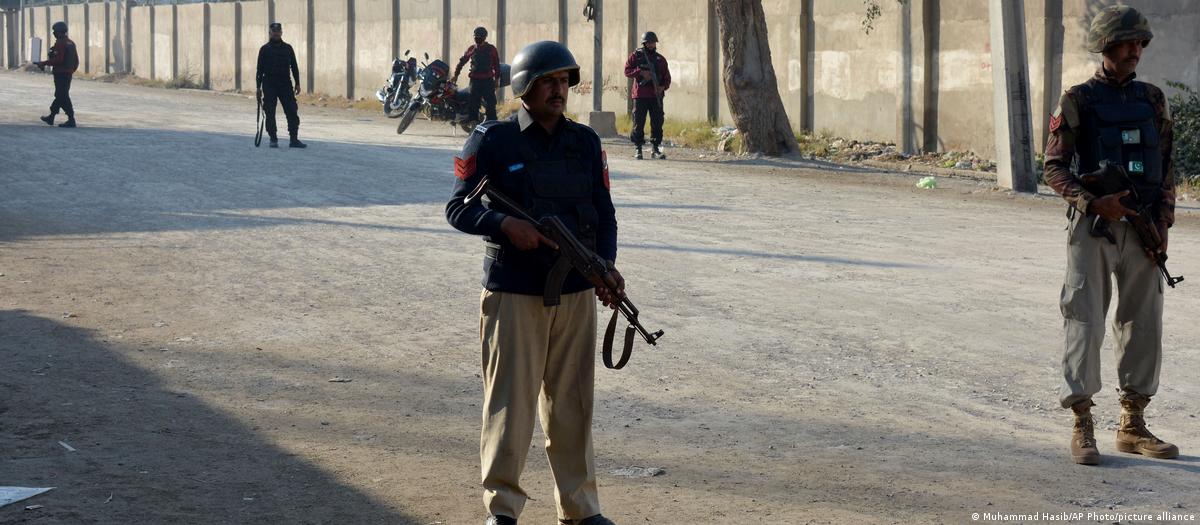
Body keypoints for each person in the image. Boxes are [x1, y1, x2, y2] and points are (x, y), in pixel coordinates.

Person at [445, 40, 620, 525]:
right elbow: (458, 208)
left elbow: (605, 214)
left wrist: (604, 265)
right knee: (510, 407)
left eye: (564, 81)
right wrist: (504, 226)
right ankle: (502, 510)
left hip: (575, 294)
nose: (558, 90)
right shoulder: (492, 139)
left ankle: (580, 509)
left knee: (573, 407)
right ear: (525, 87)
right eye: (548, 81)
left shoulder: (584, 142)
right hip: (515, 294)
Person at [1043, 4, 1178, 466]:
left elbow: (1167, 168)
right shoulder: (1077, 100)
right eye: (1127, 42)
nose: (1135, 50)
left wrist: (1162, 224)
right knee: (1084, 320)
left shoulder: (1153, 100)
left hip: (1142, 228)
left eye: (1140, 43)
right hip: (1094, 228)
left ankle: (1132, 424)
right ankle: (1082, 422)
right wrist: (1092, 202)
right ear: (1106, 46)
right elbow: (1054, 169)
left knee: (1143, 323)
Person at [256, 22, 306, 148]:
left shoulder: (288, 48)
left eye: (278, 31)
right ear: (270, 33)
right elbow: (259, 70)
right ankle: (273, 138)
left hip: (285, 83)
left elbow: (294, 66)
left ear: (281, 33)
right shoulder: (264, 49)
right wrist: (258, 87)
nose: (276, 33)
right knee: (270, 111)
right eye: (274, 32)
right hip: (269, 84)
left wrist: (298, 83)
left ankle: (294, 139)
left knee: (292, 110)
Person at [622, 31, 670, 160]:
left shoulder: (660, 60)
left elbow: (667, 78)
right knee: (638, 122)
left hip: (656, 96)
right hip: (640, 95)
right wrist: (641, 72)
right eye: (649, 43)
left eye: (653, 43)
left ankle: (655, 149)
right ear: (644, 43)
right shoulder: (636, 56)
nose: (651, 45)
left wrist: (662, 87)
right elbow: (627, 71)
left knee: (657, 122)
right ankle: (638, 148)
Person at [453, 26, 501, 124]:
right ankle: (473, 125)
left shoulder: (491, 49)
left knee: (491, 104)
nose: (477, 39)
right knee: (473, 104)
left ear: (484, 37)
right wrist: (456, 75)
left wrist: (496, 80)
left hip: (488, 81)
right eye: (476, 37)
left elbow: (496, 65)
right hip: (475, 81)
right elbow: (462, 61)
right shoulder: (472, 49)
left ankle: (491, 124)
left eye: (479, 37)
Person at [36, 21, 80, 128]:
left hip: (61, 74)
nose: (54, 33)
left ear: (59, 32)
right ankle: (52, 117)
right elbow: (76, 61)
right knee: (61, 95)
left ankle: (70, 119)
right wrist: (70, 71)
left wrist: (44, 63)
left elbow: (58, 60)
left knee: (62, 96)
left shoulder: (61, 43)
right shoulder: (71, 43)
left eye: (55, 31)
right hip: (67, 74)